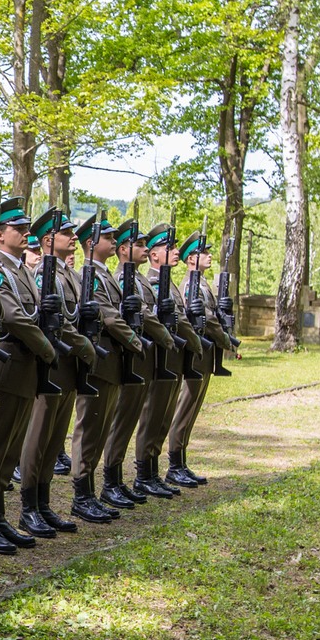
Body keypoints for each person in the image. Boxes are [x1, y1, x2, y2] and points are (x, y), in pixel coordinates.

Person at [0, 199, 56, 555]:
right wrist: (47, 348)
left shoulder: (21, 269)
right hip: (4, 370)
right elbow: (15, 318)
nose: (25, 233)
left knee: (10, 448)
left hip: (23, 371)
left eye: (25, 228)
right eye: (18, 229)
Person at [16, 210, 94, 536]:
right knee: (39, 437)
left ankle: (44, 503)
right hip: (51, 364)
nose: (73, 237)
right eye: (66, 233)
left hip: (68, 366)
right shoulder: (43, 275)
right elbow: (53, 320)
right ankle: (29, 506)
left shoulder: (70, 275)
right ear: (48, 240)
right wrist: (83, 344)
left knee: (53, 440)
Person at [67, 208, 141, 524]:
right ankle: (82, 495)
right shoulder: (90, 276)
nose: (113, 241)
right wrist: (138, 342)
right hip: (98, 361)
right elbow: (109, 316)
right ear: (90, 242)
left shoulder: (106, 274)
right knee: (90, 428)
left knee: (101, 427)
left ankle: (93, 492)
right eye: (108, 237)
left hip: (111, 362)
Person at [100, 216, 175, 510]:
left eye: (146, 244)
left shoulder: (140, 278)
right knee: (122, 419)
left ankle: (123, 479)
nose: (144, 249)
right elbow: (139, 313)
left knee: (133, 418)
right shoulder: (122, 278)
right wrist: (165, 334)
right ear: (122, 250)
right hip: (131, 354)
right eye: (139, 244)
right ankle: (111, 480)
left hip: (144, 354)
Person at [134, 224, 197, 500]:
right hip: (158, 356)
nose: (174, 252)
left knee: (164, 416)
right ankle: (143, 474)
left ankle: (154, 472)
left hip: (172, 355)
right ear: (154, 256)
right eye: (168, 248)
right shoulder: (153, 282)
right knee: (152, 415)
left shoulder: (169, 283)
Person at [167, 231, 233, 486]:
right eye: (204, 253)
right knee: (184, 409)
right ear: (191, 258)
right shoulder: (189, 285)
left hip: (204, 354)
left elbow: (213, 315)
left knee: (192, 410)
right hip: (194, 353)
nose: (209, 256)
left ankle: (181, 461)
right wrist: (224, 338)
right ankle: (174, 464)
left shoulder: (203, 284)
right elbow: (207, 319)